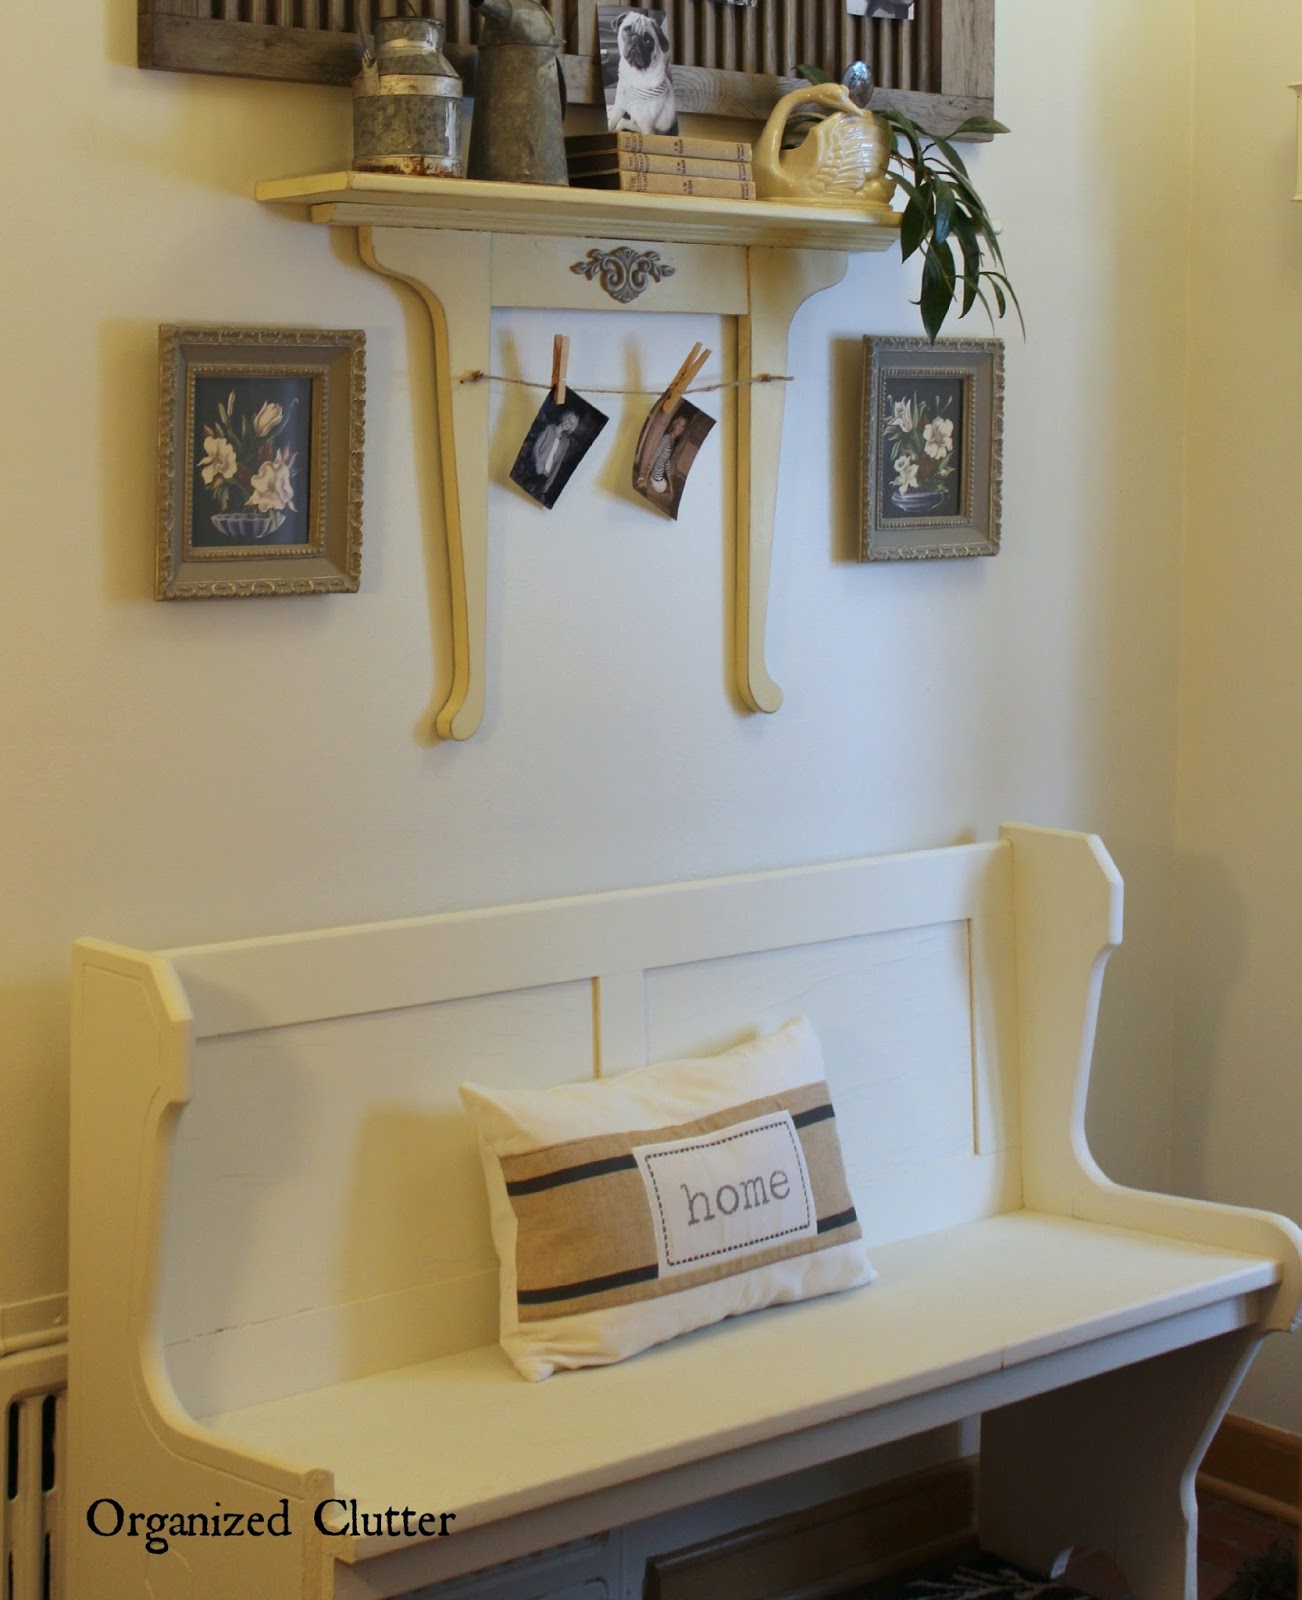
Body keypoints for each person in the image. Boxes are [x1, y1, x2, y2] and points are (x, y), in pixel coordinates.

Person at [533, 408, 580, 498]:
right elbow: (536, 447)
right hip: (534, 469)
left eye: (571, 423)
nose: (568, 424)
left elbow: (557, 464)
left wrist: (548, 484)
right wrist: (538, 465)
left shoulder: (566, 442)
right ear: (564, 417)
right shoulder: (549, 428)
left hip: (544, 477)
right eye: (568, 419)